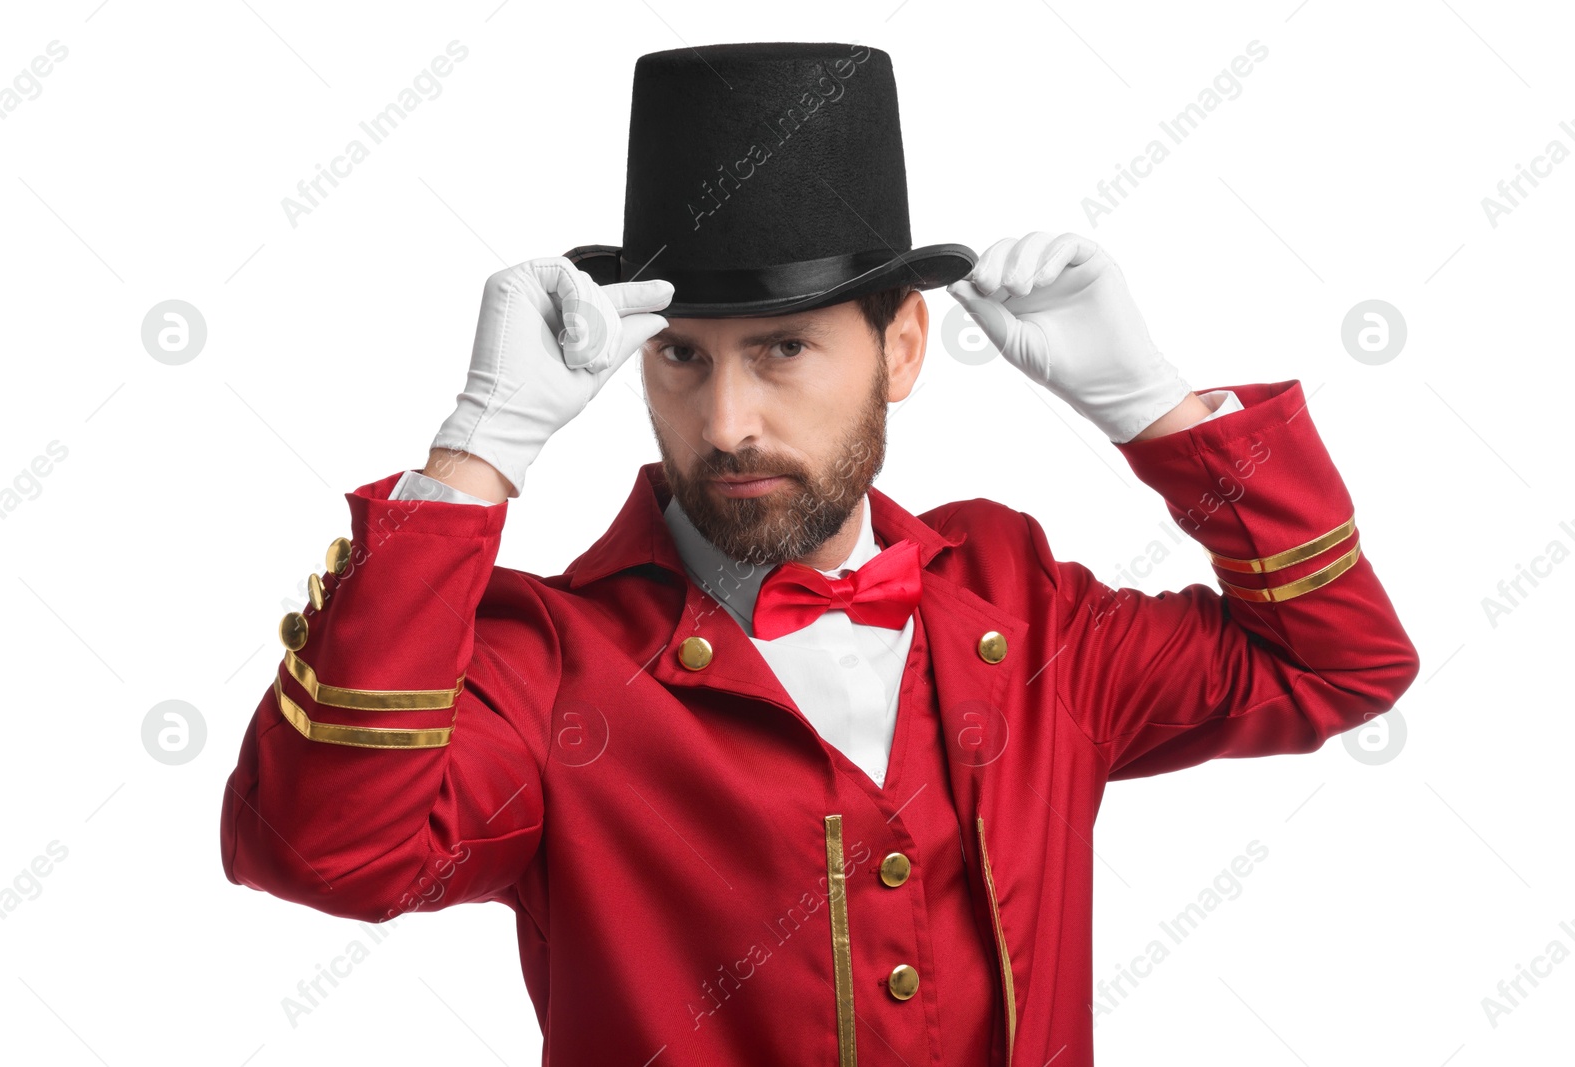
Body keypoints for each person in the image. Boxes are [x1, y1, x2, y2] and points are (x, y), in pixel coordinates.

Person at [219, 42, 1419, 1066]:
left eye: (784, 349)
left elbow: (1338, 664)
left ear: (901, 347)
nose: (727, 418)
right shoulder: (548, 665)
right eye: (682, 356)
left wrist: (1155, 409)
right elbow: (331, 853)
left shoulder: (1027, 608)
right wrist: (474, 455)